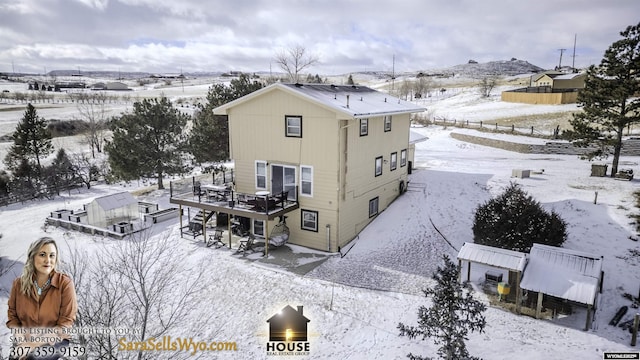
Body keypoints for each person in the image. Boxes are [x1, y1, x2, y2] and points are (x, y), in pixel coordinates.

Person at [6, 237, 78, 360]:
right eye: (42, 255)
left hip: (56, 340)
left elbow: (65, 323)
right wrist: (21, 340)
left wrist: (32, 344)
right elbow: (13, 317)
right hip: (26, 337)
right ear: (32, 257)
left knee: (34, 357)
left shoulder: (65, 284)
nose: (48, 260)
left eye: (52, 255)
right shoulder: (18, 284)